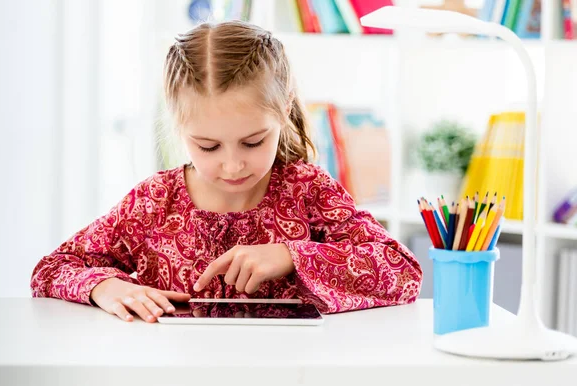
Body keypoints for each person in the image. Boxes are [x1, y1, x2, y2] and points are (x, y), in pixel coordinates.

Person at [31, 20, 422, 323]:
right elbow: (51, 269)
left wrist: (291, 255)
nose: (233, 165)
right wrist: (104, 286)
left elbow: (403, 272)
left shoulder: (308, 190)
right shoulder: (153, 202)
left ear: (284, 110)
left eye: (253, 142)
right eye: (208, 146)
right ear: (178, 126)